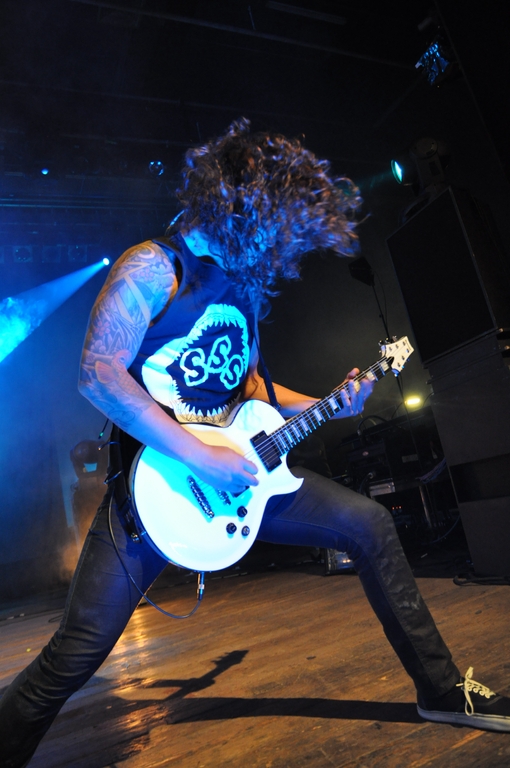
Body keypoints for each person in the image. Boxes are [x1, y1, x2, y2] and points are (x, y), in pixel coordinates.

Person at [1, 118, 509, 767]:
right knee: (75, 653)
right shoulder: (156, 265)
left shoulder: (236, 286)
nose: (274, 241)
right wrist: (201, 456)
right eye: (270, 222)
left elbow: (247, 386)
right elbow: (98, 372)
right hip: (160, 491)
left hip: (246, 476)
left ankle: (440, 689)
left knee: (370, 524)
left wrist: (329, 401)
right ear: (236, 203)